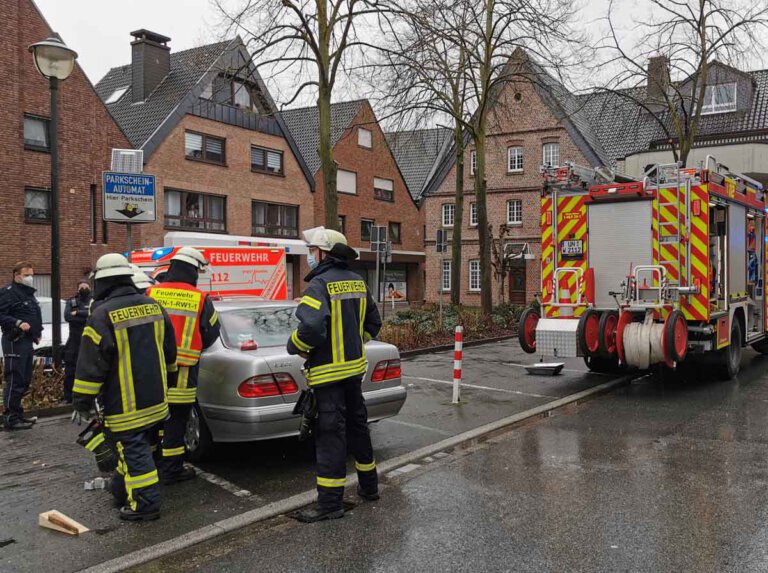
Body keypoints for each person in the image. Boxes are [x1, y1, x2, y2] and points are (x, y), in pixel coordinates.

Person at [72, 253, 177, 521]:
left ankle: (145, 506)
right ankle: (122, 492)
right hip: (157, 400)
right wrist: (170, 383)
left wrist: (82, 402)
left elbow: (91, 366)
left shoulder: (101, 315)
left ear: (103, 283)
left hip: (126, 406)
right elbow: (170, 353)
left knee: (134, 452)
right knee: (141, 451)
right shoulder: (154, 306)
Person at [287, 226, 382, 523]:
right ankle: (369, 488)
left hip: (327, 376)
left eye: (312, 251)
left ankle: (329, 504)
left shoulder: (318, 286)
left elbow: (311, 330)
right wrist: (354, 343)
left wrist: (296, 345)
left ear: (324, 253)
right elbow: (374, 323)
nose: (310, 257)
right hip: (354, 373)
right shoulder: (357, 281)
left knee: (330, 436)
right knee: (358, 429)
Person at [145, 247, 220, 484]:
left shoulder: (150, 293)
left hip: (153, 370)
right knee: (177, 421)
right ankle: (172, 470)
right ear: (192, 271)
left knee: (153, 418)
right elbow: (212, 332)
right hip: (184, 371)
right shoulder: (199, 298)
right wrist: (194, 346)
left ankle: (151, 464)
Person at [0, 261, 43, 430]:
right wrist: (17, 322)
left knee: (24, 379)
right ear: (16, 275)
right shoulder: (8, 293)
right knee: (15, 379)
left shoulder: (27, 294)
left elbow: (31, 314)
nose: (30, 278)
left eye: (31, 274)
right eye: (26, 275)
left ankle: (18, 415)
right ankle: (10, 418)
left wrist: (35, 334)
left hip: (26, 341)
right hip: (14, 341)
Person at [63, 280, 92, 404]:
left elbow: (95, 314)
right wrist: (86, 317)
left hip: (90, 340)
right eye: (81, 287)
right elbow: (68, 317)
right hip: (74, 341)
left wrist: (78, 313)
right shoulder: (72, 301)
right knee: (70, 370)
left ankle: (89, 397)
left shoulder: (93, 301)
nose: (84, 288)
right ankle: (68, 397)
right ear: (77, 289)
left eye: (86, 286)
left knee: (89, 370)